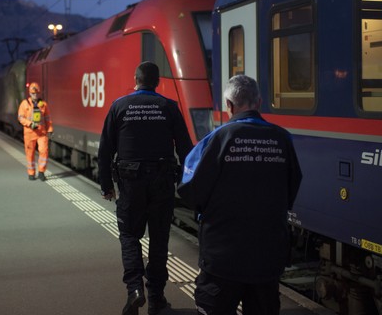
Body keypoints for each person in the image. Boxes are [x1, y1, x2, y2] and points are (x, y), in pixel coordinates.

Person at [177, 75, 301, 315]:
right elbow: (292, 186)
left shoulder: (216, 139)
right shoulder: (282, 138)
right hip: (268, 256)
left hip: (223, 257)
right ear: (260, 102)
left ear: (229, 105)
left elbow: (190, 190)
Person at [98, 61, 193, 315]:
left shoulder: (119, 106)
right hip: (162, 181)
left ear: (135, 79)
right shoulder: (169, 107)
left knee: (129, 236)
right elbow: (186, 149)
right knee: (159, 240)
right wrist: (188, 185)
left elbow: (105, 149)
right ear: (157, 82)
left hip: (130, 182)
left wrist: (106, 185)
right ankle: (156, 298)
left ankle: (134, 289)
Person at [17, 82, 53, 181]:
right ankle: (31, 173)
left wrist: (50, 129)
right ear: (30, 93)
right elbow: (20, 118)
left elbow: (47, 118)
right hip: (29, 133)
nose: (35, 95)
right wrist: (29, 123)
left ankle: (41, 172)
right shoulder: (24, 104)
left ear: (39, 93)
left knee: (44, 151)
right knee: (30, 153)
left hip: (42, 133)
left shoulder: (43, 105)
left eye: (36, 93)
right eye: (33, 93)